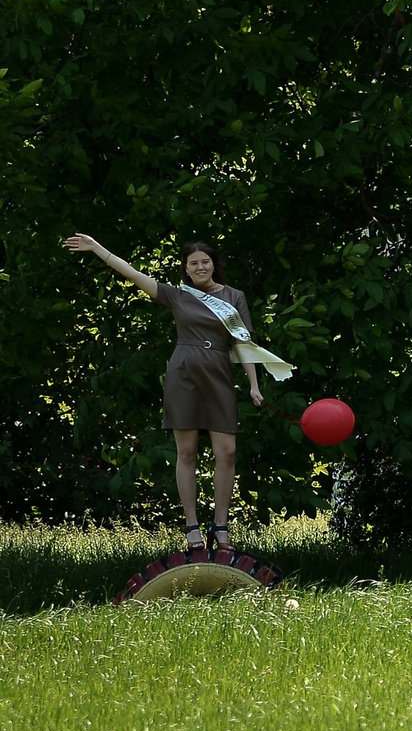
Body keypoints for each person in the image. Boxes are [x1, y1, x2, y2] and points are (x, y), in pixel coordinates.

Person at [62, 232, 293, 550]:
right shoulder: (177, 295)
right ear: (186, 269)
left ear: (214, 265)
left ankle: (221, 527)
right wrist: (97, 248)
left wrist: (253, 385)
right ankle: (192, 528)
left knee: (227, 453)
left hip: (219, 372)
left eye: (206, 261)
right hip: (183, 372)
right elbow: (130, 271)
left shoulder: (233, 297)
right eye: (193, 263)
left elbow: (243, 342)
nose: (200, 267)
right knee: (186, 453)